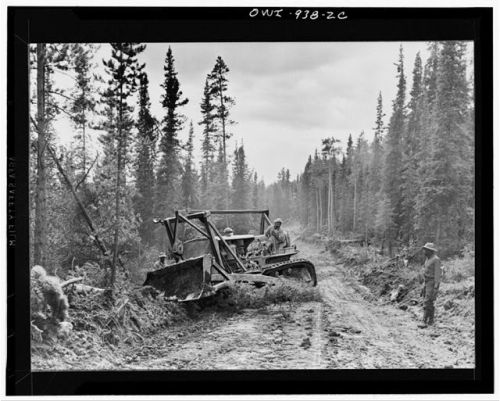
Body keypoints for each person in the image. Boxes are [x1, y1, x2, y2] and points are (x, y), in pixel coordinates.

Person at [418, 242, 442, 328]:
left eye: (426, 250)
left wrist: (436, 286)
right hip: (427, 282)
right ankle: (431, 320)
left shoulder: (436, 259)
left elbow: (437, 274)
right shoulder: (427, 259)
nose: (424, 251)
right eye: (424, 249)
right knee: (429, 301)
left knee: (427, 301)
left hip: (432, 283)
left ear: (430, 251)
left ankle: (424, 321)